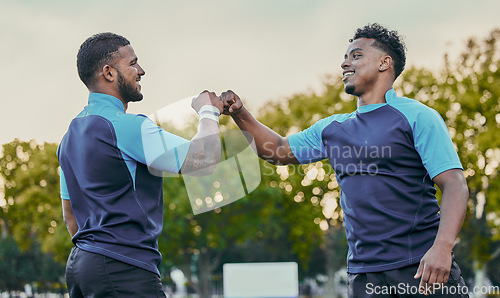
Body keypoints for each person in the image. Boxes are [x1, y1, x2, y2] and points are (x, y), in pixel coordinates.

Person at [221, 23, 469, 297]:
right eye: (345, 57)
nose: (344, 63)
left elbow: (455, 184)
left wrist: (442, 248)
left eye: (356, 55)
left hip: (421, 269)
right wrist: (240, 113)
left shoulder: (417, 117)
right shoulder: (332, 128)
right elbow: (277, 150)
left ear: (384, 63)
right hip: (363, 276)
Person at [58, 32, 223, 297]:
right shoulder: (129, 127)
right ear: (109, 73)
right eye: (133, 63)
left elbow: (71, 219)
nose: (141, 70)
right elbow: (203, 160)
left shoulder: (68, 139)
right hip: (123, 268)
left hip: (81, 266)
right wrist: (208, 112)